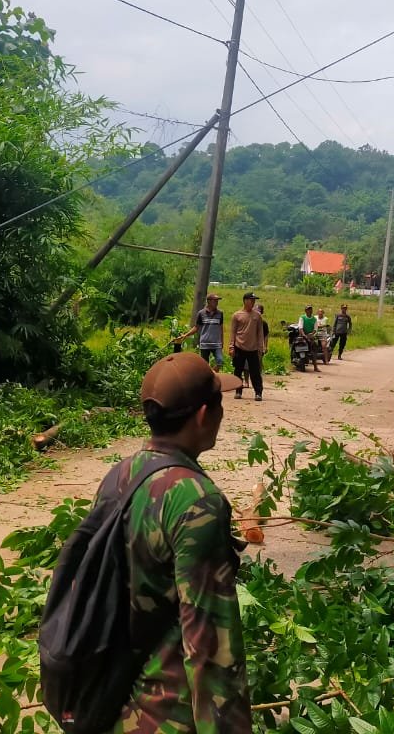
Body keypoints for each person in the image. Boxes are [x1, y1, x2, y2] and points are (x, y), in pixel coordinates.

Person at [107, 352, 251, 731]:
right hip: (169, 713)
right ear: (205, 415)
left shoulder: (119, 475)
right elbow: (209, 644)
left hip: (116, 697)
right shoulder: (196, 499)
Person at [173, 293, 225, 371]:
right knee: (204, 365)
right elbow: (196, 327)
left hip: (216, 343)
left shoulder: (220, 313)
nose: (217, 302)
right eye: (215, 301)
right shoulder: (201, 313)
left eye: (217, 301)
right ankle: (208, 379)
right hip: (205, 343)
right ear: (209, 301)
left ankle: (213, 373)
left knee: (220, 361)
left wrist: (222, 341)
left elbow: (221, 328)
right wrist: (185, 335)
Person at [229, 293, 264, 401]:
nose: (253, 302)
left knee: (255, 372)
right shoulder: (237, 315)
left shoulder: (257, 316)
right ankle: (238, 391)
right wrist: (231, 346)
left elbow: (260, 333)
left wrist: (260, 347)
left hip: (253, 348)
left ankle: (258, 392)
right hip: (239, 346)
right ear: (245, 301)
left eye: (254, 300)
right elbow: (233, 332)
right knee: (238, 370)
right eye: (251, 300)